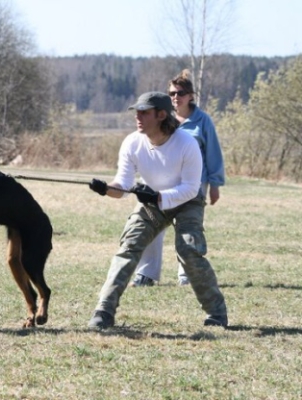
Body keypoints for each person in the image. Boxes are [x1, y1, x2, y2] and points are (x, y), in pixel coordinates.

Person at [87, 91, 228, 329]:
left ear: (161, 115)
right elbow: (122, 187)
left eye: (144, 113)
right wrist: (105, 189)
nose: (138, 117)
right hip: (151, 203)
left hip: (187, 201)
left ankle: (217, 313)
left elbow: (192, 188)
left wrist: (159, 195)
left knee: (189, 250)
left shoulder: (187, 143)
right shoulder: (132, 142)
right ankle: (104, 311)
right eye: (137, 112)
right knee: (129, 246)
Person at [131, 70, 225, 287]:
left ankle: (186, 274)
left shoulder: (202, 121)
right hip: (161, 180)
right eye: (172, 93)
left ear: (191, 95)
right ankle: (146, 274)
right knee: (152, 226)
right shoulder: (163, 117)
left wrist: (215, 184)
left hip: (192, 183)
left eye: (180, 93)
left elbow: (213, 153)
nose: (176, 97)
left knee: (187, 229)